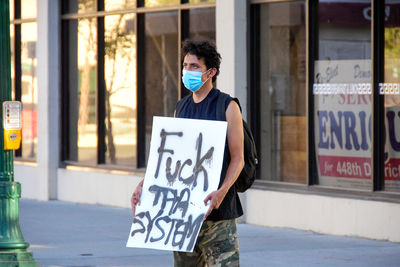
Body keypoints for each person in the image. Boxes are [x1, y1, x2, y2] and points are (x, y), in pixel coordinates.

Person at [131, 39, 244, 267]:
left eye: (194, 66)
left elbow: (238, 158)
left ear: (211, 72)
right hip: (182, 217)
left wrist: (221, 192)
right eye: (185, 65)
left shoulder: (227, 106)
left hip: (218, 218)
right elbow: (170, 161)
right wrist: (144, 185)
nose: (187, 71)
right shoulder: (181, 107)